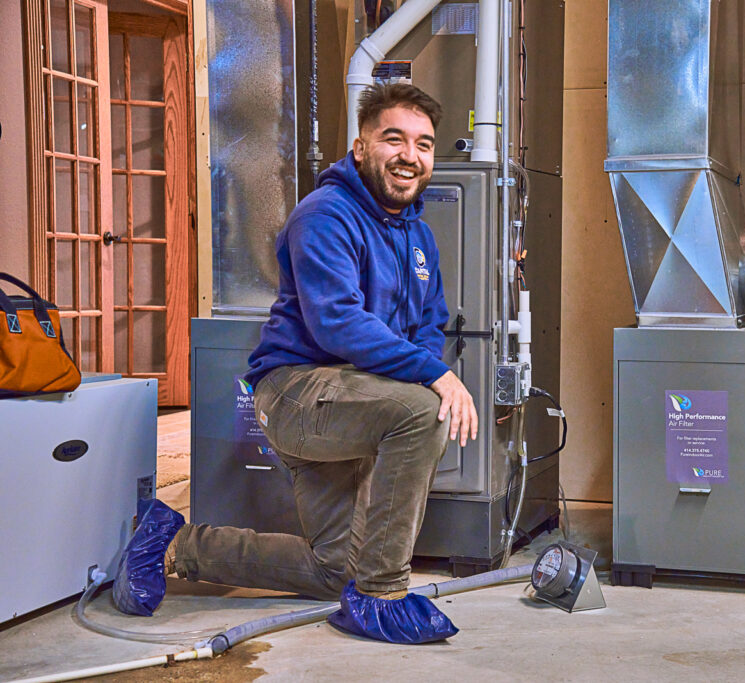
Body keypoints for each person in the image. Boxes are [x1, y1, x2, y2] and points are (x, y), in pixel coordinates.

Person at [113, 83, 478, 644]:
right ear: (360, 148)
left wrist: (427, 370)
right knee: (423, 411)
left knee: (334, 572)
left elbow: (428, 326)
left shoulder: (420, 238)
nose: (410, 155)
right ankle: (382, 594)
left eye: (424, 144)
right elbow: (337, 322)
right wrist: (435, 378)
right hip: (297, 394)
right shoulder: (326, 216)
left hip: (361, 396)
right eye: (394, 139)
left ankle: (172, 544)